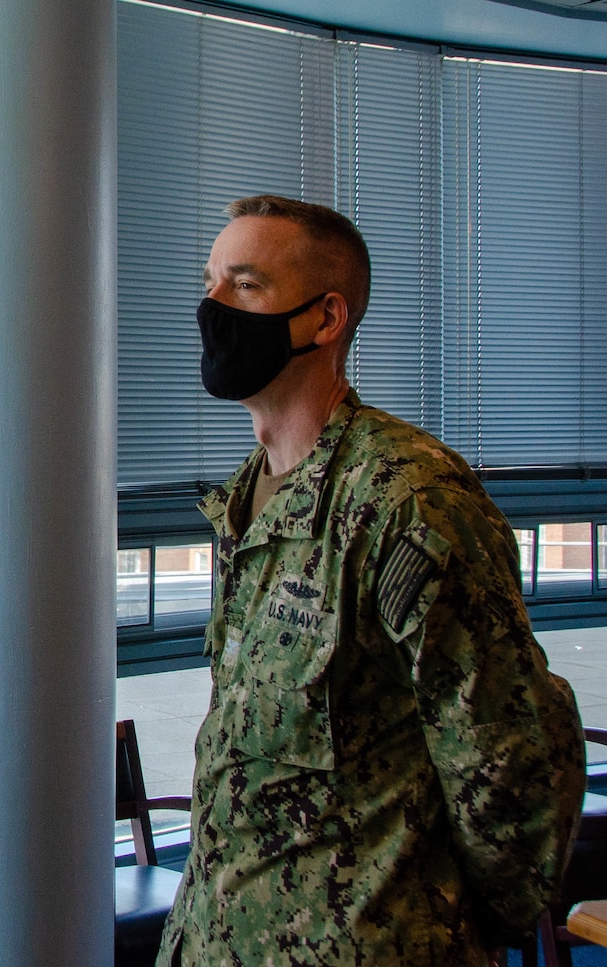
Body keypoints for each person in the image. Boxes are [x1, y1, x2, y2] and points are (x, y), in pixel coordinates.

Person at [157, 195, 585, 966]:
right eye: (210, 281)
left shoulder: (407, 499)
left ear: (325, 320)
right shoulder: (248, 498)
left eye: (245, 285)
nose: (211, 306)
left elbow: (508, 770)